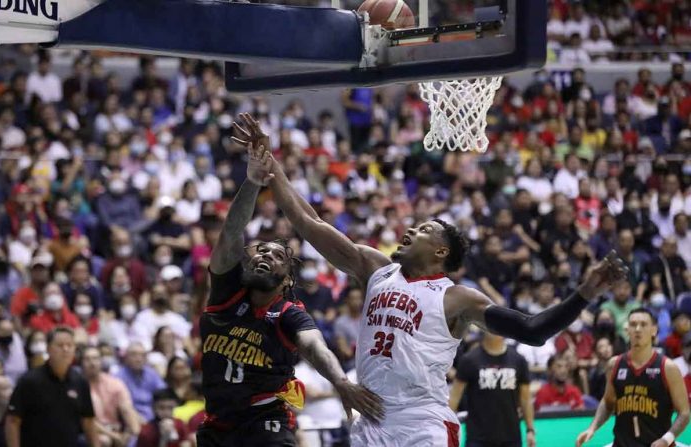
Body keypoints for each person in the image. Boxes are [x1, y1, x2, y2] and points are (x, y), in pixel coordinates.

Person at [233, 113, 628, 447]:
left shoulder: (457, 298)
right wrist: (273, 166)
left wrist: (585, 293)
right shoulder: (375, 268)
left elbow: (533, 330)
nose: (408, 231)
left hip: (423, 422)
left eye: (421, 229)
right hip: (371, 419)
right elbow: (308, 222)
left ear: (441, 251)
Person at [196, 141, 383, 447]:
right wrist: (253, 182)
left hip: (265, 420)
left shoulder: (288, 313)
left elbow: (314, 347)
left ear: (286, 281)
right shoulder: (226, 293)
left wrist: (340, 382)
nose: (265, 256)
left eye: (277, 256)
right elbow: (231, 232)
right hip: (217, 425)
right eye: (261, 251)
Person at [576, 309, 690, 447]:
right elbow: (607, 403)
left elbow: (684, 413)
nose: (637, 329)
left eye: (643, 324)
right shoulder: (615, 364)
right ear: (627, 330)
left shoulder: (667, 367)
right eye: (633, 324)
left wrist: (666, 439)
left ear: (654, 330)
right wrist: (592, 428)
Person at [5, 326, 99, 447]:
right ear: (48, 349)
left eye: (69, 345)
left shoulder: (80, 382)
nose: (65, 349)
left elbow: (88, 421)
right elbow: (13, 421)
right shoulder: (30, 381)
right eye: (60, 345)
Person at [449, 332, 536, 447]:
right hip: (477, 438)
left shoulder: (518, 360)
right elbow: (454, 398)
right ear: (483, 327)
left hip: (511, 437)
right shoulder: (469, 360)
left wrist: (530, 430)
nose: (496, 330)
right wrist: (450, 429)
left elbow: (525, 400)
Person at [81, 345, 141, 447]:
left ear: (101, 361)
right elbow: (86, 421)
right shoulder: (77, 385)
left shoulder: (115, 383)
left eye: (95, 358)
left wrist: (131, 432)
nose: (92, 363)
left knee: (138, 435)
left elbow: (127, 409)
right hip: (88, 431)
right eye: (87, 359)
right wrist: (113, 436)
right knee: (104, 441)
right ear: (81, 363)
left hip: (114, 428)